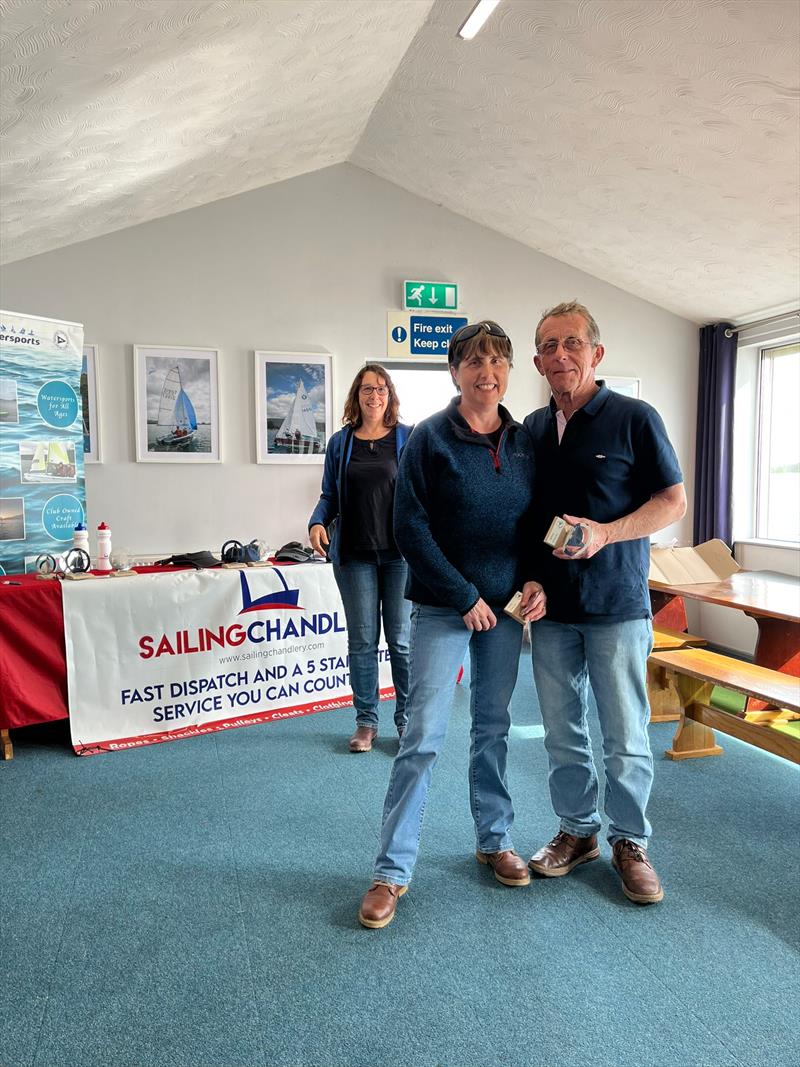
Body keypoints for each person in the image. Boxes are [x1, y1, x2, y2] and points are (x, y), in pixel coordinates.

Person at [357, 321, 547, 929]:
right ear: (454, 372)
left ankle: (494, 839)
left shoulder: (523, 441)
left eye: (496, 362)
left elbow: (537, 522)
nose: (485, 373)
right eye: (473, 362)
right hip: (445, 607)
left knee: (493, 728)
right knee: (423, 737)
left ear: (510, 372)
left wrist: (535, 580)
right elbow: (410, 527)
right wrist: (464, 594)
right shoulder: (430, 439)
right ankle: (391, 870)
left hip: (505, 612)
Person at [523, 300, 686, 905]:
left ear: (596, 353)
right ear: (538, 362)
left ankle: (630, 842)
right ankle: (577, 831)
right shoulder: (534, 430)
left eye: (571, 344)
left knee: (624, 732)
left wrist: (605, 532)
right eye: (547, 346)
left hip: (617, 604)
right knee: (561, 731)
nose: (559, 355)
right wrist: (531, 579)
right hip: (552, 610)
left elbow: (674, 501)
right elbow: (529, 519)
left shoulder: (635, 418)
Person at [309, 365, 413, 752]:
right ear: (357, 394)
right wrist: (317, 522)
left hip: (399, 556)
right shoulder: (341, 443)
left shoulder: (407, 437)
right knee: (363, 642)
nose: (375, 395)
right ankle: (366, 722)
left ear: (390, 395)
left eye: (382, 388)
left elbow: (421, 495)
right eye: (368, 388)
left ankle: (406, 720)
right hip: (353, 556)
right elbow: (327, 495)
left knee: (401, 642)